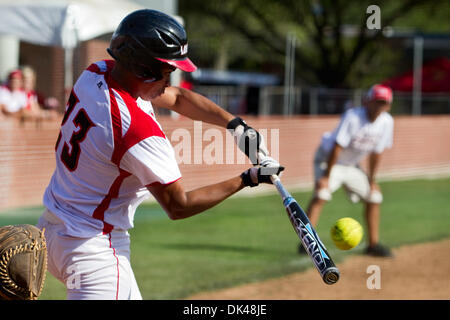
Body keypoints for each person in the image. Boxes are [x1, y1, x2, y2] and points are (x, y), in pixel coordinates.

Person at [36, 9, 283, 300]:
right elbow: (179, 205)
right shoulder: (137, 131)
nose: (170, 80)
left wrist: (236, 126)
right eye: (167, 71)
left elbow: (178, 98)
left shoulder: (96, 73)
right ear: (142, 68)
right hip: (93, 252)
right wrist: (247, 178)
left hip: (49, 232)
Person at [298, 84, 394, 257]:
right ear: (367, 102)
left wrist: (371, 181)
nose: (379, 106)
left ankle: (373, 245)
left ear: (388, 106)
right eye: (376, 102)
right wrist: (326, 177)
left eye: (383, 103)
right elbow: (337, 147)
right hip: (328, 161)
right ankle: (306, 242)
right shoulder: (353, 117)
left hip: (350, 166)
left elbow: (376, 154)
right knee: (322, 194)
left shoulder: (387, 122)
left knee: (374, 197)